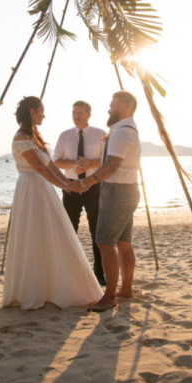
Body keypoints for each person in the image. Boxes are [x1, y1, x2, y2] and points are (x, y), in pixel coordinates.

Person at [2, 96, 102, 310]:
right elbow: (39, 168)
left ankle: (54, 285)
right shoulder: (21, 138)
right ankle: (33, 288)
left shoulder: (35, 136)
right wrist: (66, 187)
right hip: (30, 189)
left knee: (53, 232)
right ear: (31, 112)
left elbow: (51, 166)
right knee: (34, 234)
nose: (44, 115)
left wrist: (68, 182)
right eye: (41, 111)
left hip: (44, 188)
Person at [67, 91, 141, 312]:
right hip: (128, 190)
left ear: (125, 107)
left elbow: (111, 166)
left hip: (117, 192)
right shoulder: (123, 130)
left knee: (105, 242)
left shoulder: (121, 133)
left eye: (112, 105)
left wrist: (86, 183)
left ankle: (109, 296)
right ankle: (126, 289)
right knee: (123, 243)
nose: (109, 109)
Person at [53, 101, 106, 285]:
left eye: (80, 113)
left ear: (88, 114)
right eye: (74, 112)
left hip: (94, 186)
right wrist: (75, 163)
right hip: (70, 187)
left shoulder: (100, 134)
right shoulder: (65, 136)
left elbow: (106, 161)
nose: (76, 116)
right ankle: (69, 271)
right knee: (69, 229)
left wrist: (90, 163)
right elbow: (57, 162)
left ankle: (99, 273)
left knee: (96, 230)